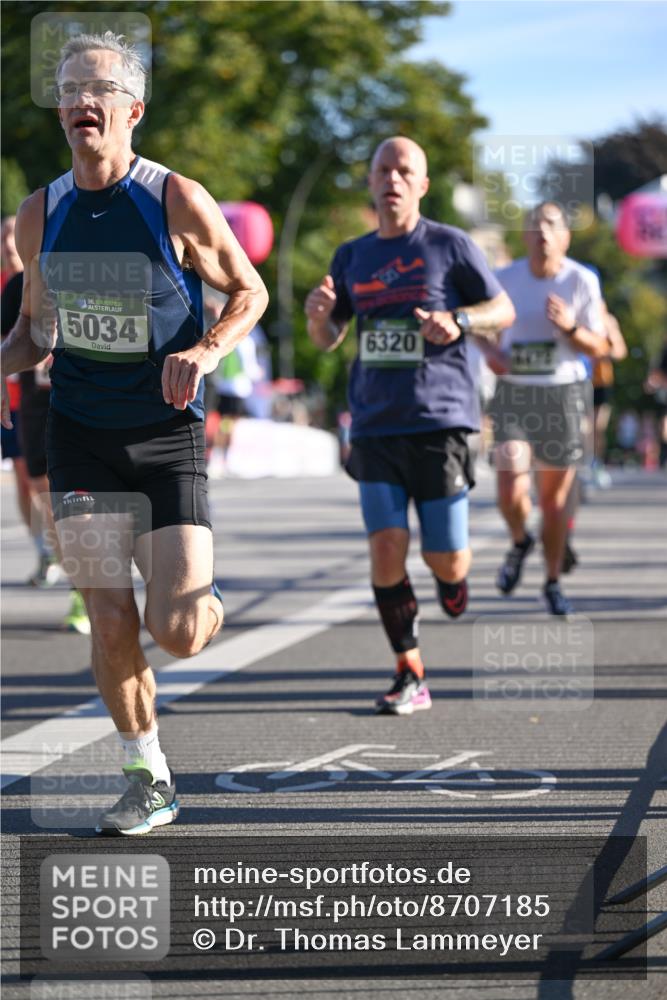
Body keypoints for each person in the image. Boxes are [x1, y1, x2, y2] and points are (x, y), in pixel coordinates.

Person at [0, 31, 268, 833]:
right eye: (71, 90)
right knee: (109, 617)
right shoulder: (37, 214)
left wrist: (204, 349)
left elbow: (248, 292)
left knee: (176, 633)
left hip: (165, 433)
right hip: (80, 434)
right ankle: (146, 772)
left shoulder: (175, 198)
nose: (82, 102)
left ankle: (200, 595)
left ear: (133, 110)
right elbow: (35, 333)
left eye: (99, 90)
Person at [305, 136, 515, 715]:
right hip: (374, 424)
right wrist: (318, 320)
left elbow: (504, 310)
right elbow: (330, 338)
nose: (392, 179)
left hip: (440, 420)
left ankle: (452, 581)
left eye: (404, 171)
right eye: (382, 170)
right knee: (386, 545)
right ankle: (410, 670)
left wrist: (460, 319)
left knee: (444, 557)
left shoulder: (451, 245)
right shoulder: (351, 256)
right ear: (371, 183)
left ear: (421, 185)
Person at [490, 202, 606, 615]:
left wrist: (572, 327)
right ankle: (521, 539)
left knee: (555, 503)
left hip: (563, 394)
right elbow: (479, 327)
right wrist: (490, 352)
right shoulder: (504, 279)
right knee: (509, 485)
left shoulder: (581, 280)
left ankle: (553, 580)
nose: (542, 232)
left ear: (565, 237)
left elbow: (603, 346)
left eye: (551, 226)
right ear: (523, 236)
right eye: (533, 225)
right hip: (516, 393)